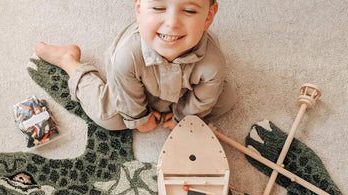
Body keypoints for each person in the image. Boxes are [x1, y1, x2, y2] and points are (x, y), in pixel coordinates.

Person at [35, 0, 235, 132]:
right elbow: (127, 92)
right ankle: (69, 61)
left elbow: (204, 97)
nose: (172, 23)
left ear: (208, 16)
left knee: (226, 99)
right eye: (158, 8)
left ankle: (179, 111)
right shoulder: (127, 55)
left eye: (189, 11)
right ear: (139, 9)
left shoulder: (213, 62)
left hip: (182, 92)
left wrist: (182, 119)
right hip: (131, 87)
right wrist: (139, 119)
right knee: (108, 117)